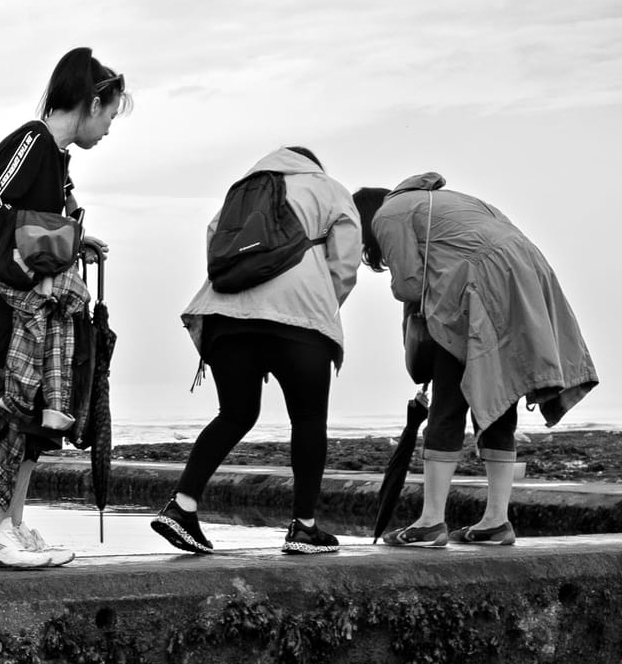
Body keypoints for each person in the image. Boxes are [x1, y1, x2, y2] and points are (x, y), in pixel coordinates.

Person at [0, 48, 129, 570]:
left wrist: (73, 239)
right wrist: (60, 237)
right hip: (1, 306)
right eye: (111, 115)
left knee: (36, 418)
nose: (110, 129)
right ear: (93, 103)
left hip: (32, 311)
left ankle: (11, 524)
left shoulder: (58, 162)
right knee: (14, 410)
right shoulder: (33, 140)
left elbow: (36, 228)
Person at [359, 173, 598, 547]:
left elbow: (408, 284)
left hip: (479, 290)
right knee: (501, 392)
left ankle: (430, 522)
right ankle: (496, 522)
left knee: (448, 405)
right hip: (527, 279)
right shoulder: (448, 200)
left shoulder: (388, 214)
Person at [151, 146, 362, 556]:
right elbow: (345, 264)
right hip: (300, 317)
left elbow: (216, 248)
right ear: (313, 165)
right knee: (307, 418)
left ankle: (182, 506)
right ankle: (304, 528)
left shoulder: (241, 192)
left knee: (235, 414)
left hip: (224, 316)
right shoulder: (330, 189)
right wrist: (322, 304)